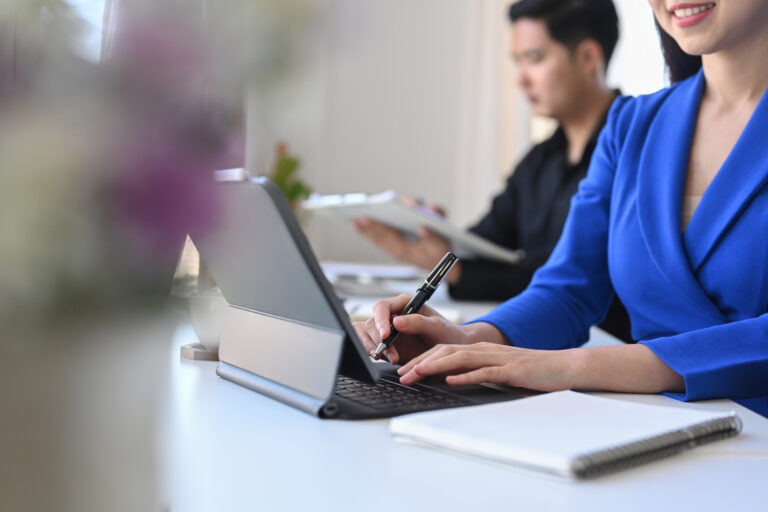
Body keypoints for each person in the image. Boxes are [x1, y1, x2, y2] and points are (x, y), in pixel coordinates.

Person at [356, 0, 768, 418]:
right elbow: (568, 289)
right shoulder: (631, 127)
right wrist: (469, 341)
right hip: (655, 428)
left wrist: (574, 366)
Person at [352, 0, 632, 341]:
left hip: (604, 347)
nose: (521, 79)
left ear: (588, 58)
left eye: (535, 59)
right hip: (536, 337)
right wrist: (427, 232)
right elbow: (488, 241)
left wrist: (455, 269)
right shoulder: (540, 159)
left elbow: (574, 275)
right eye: (517, 62)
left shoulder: (637, 148)